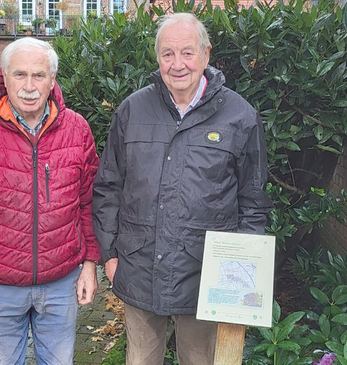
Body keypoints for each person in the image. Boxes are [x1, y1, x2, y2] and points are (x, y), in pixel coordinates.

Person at [92, 13, 273, 365]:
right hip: (138, 267)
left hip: (206, 276)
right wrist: (110, 257)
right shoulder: (132, 110)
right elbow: (108, 187)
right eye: (167, 54)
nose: (178, 65)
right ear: (157, 58)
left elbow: (253, 202)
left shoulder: (240, 116)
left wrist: (243, 275)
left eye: (187, 53)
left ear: (206, 55)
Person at [0, 37, 100, 364]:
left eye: (39, 75)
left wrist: (89, 265)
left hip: (62, 284)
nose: (29, 86)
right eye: (20, 75)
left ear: (52, 80)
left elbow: (88, 204)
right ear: (4, 76)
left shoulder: (78, 130)